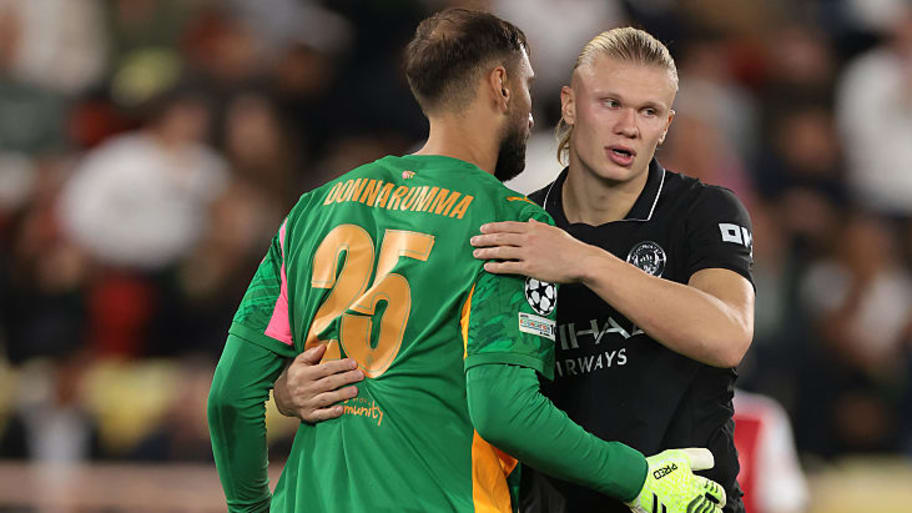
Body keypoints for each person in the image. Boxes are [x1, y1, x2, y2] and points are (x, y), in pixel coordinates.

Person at [208, 10, 725, 513]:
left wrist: (251, 508)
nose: (531, 110)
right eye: (527, 86)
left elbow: (231, 397)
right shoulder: (509, 227)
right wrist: (636, 478)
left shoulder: (313, 209)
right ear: (501, 85)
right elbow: (504, 411)